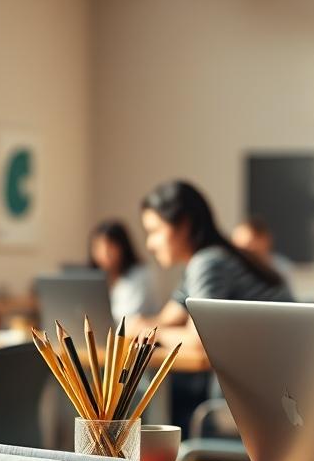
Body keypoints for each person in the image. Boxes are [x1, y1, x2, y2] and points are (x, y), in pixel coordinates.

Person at [133, 180, 291, 427]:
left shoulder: (209, 263)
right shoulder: (206, 260)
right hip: (280, 388)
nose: (149, 244)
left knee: (162, 397)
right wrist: (142, 325)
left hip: (271, 398)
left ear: (183, 225)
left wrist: (151, 332)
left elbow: (198, 342)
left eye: (154, 231)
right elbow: (167, 318)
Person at [89, 219, 158, 320]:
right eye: (98, 247)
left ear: (122, 247)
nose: (104, 253)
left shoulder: (140, 276)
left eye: (109, 247)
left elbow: (126, 319)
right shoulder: (95, 279)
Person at [231, 216, 295, 289]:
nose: (240, 251)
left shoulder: (281, 266)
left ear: (264, 240)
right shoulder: (231, 270)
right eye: (236, 246)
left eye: (248, 245)